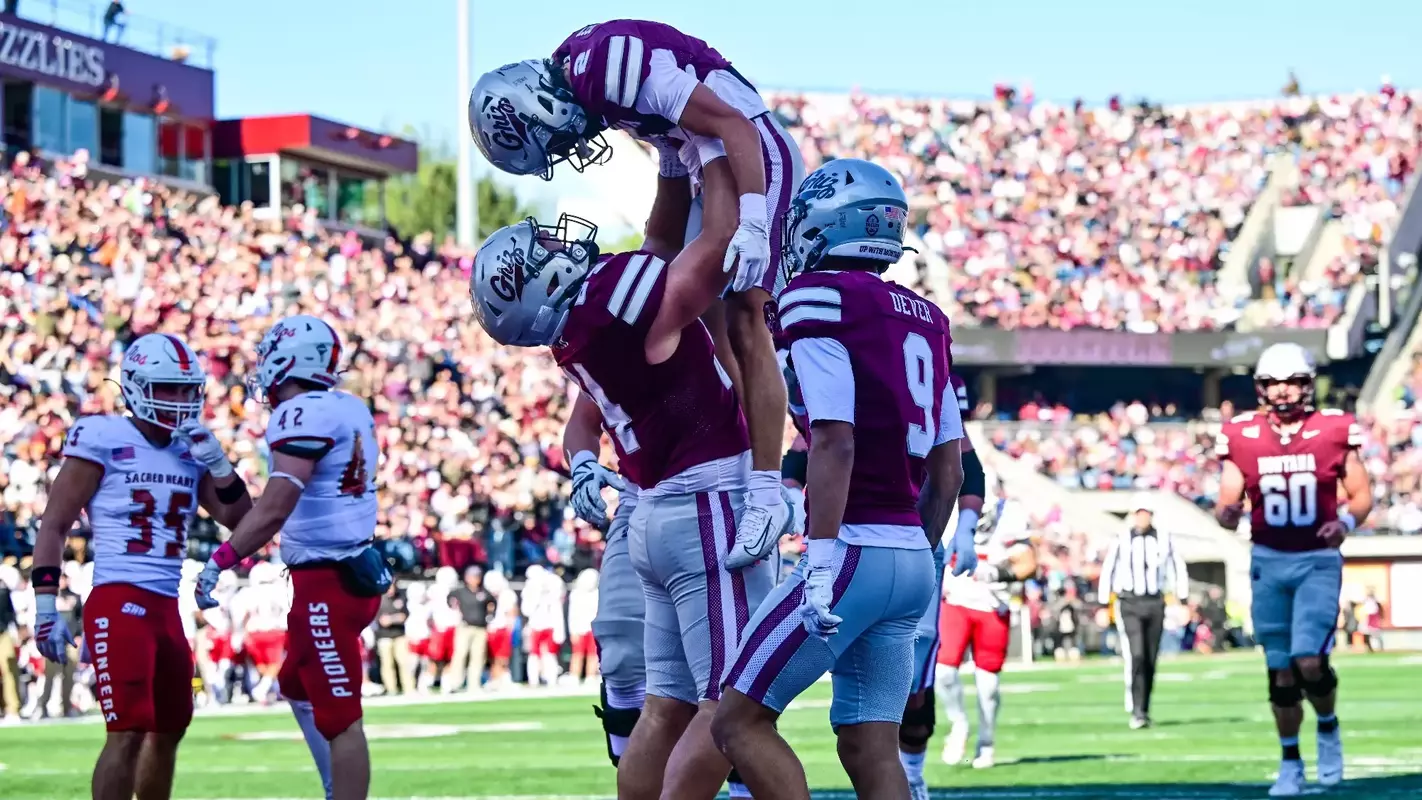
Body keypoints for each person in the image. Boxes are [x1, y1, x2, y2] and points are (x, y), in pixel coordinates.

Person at [469, 155, 772, 800]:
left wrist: (670, 160)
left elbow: (661, 245)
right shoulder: (614, 307)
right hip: (704, 504)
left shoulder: (581, 333)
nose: (562, 243)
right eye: (545, 248)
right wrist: (720, 155)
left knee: (665, 707)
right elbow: (713, 247)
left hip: (657, 518)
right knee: (730, 705)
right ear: (537, 281)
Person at [469, 19, 805, 560]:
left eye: (552, 143)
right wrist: (681, 162)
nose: (570, 148)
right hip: (712, 154)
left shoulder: (601, 69)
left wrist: (755, 222)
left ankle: (767, 490)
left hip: (750, 152)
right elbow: (671, 201)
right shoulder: (590, 77)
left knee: (745, 311)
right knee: (715, 319)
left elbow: (732, 125)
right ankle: (757, 474)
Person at [711, 159, 971, 800]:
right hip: (910, 557)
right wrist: (925, 548)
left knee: (737, 723)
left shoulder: (817, 298)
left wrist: (822, 559)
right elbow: (949, 464)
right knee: (868, 744)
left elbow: (834, 438)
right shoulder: (929, 318)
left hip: (851, 548)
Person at [31, 333, 251, 800]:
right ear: (134, 386)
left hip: (165, 606)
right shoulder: (102, 435)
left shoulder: (190, 448)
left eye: (184, 389)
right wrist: (46, 606)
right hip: (119, 596)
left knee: (171, 727)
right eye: (166, 388)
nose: (177, 400)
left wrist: (219, 463)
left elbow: (243, 520)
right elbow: (54, 525)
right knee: (127, 729)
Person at [192, 315, 390, 800]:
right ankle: (332, 789)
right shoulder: (347, 406)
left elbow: (276, 506)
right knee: (297, 684)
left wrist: (220, 560)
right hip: (344, 570)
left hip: (329, 580)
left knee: (341, 718)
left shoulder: (302, 413)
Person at [1214, 342, 1372, 797]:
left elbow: (1361, 495)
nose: (1283, 392)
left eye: (1292, 381)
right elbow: (1229, 496)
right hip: (1267, 559)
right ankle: (1290, 762)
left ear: (1307, 384)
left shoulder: (1333, 430)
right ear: (1260, 388)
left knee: (1308, 660)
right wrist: (1226, 513)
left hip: (1315, 561)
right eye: (1273, 383)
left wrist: (1343, 522)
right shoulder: (1242, 434)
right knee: (1280, 669)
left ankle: (1327, 725)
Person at [899, 373, 987, 796]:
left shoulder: (934, 374)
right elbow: (810, 445)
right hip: (852, 534)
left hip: (916, 537)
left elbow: (963, 463)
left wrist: (965, 528)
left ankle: (910, 775)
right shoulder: (844, 348)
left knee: (913, 679)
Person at [1097, 496, 1189, 730]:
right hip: (1129, 602)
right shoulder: (1122, 539)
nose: (1143, 517)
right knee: (1135, 654)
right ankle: (1136, 709)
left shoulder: (1164, 538)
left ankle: (1144, 708)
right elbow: (1109, 568)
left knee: (1149, 657)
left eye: (1146, 513)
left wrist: (1182, 598)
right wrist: (1102, 603)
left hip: (1155, 602)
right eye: (1139, 513)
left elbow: (1178, 567)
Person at [447, 565, 492, 692]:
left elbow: (492, 602)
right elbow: (450, 598)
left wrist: (490, 616)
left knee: (478, 656)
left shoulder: (483, 592)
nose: (475, 579)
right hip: (465, 627)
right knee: (460, 654)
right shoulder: (461, 591)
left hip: (480, 628)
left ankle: (474, 684)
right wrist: (453, 607)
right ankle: (455, 683)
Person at [567, 568, 600, 685]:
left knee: (593, 654)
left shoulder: (598, 594)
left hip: (593, 629)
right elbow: (572, 614)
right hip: (579, 628)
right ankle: (574, 675)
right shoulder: (576, 594)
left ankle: (591, 676)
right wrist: (573, 631)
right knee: (577, 654)